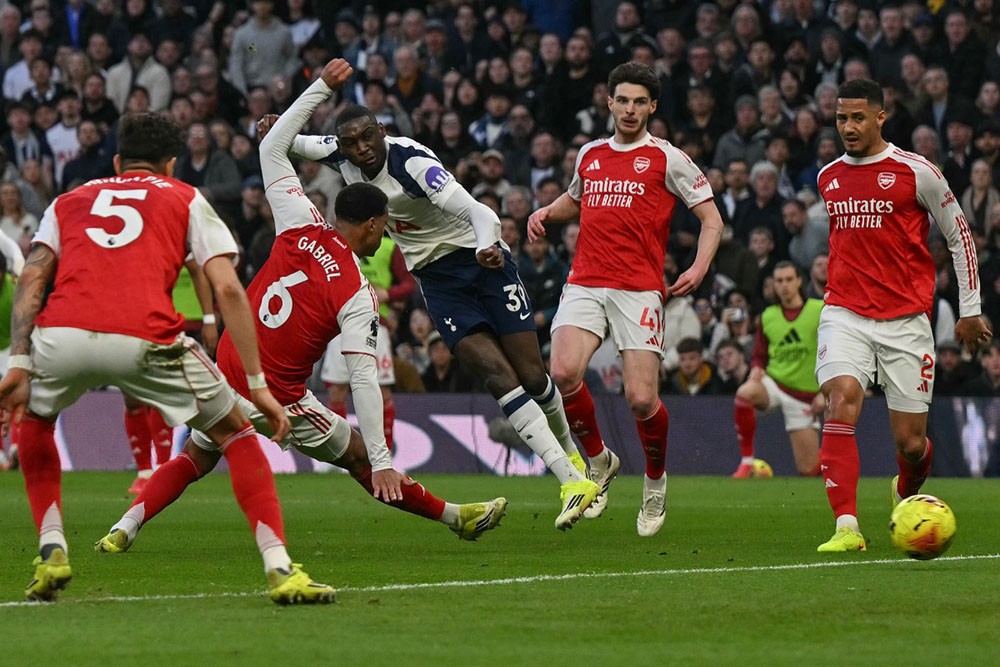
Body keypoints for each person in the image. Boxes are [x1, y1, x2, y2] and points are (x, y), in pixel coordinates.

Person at [98, 62, 505, 558]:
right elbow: (363, 380)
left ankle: (125, 525)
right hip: (278, 397)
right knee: (356, 456)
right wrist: (380, 458)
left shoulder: (299, 222)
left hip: (227, 367)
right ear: (374, 224)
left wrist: (321, 88)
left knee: (199, 453)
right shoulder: (357, 291)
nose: (387, 237)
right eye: (385, 228)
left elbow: (272, 147)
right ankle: (454, 518)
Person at [0, 111, 339, 604]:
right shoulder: (185, 197)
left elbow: (32, 277)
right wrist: (257, 384)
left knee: (34, 419)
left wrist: (19, 361)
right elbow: (227, 287)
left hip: (63, 332)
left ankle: (52, 547)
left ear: (117, 162)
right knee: (237, 433)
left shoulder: (68, 200)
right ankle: (280, 569)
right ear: (172, 164)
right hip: (147, 336)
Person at [260, 75, 600, 532]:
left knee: (534, 377)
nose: (359, 149)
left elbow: (482, 212)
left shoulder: (414, 164)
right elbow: (294, 142)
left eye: (366, 137)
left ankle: (581, 462)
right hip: (437, 281)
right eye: (350, 142)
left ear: (381, 130)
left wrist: (485, 246)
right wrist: (272, 124)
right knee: (497, 375)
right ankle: (570, 480)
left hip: (482, 261)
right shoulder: (339, 149)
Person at [527, 61, 724, 536]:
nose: (631, 109)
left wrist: (698, 267)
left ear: (652, 107)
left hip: (638, 290)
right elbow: (578, 198)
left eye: (641, 102)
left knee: (640, 400)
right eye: (623, 100)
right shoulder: (590, 153)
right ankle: (599, 461)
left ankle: (654, 486)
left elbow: (712, 219)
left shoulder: (667, 158)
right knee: (563, 372)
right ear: (608, 102)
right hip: (586, 281)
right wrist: (545, 212)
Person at [813, 78, 990, 553]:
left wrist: (969, 310)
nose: (848, 127)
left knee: (912, 445)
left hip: (906, 322)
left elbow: (959, 236)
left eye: (857, 118)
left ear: (879, 118)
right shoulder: (828, 176)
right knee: (842, 397)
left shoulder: (917, 171)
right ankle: (847, 527)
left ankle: (905, 492)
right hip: (844, 312)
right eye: (840, 118)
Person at [321, 234, 414, 454]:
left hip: (375, 322)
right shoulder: (333, 244)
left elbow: (409, 283)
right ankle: (341, 452)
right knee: (337, 390)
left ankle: (385, 453)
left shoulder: (389, 247)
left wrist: (388, 293)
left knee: (381, 390)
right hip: (339, 324)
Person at [731, 262, 824, 479]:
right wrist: (756, 368)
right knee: (745, 393)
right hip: (775, 382)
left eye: (789, 280)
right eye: (779, 281)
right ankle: (746, 462)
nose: (784, 285)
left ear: (799, 281)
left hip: (805, 395)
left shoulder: (819, 310)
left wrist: (826, 392)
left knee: (808, 471)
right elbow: (759, 355)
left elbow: (833, 353)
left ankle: (826, 457)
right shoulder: (767, 316)